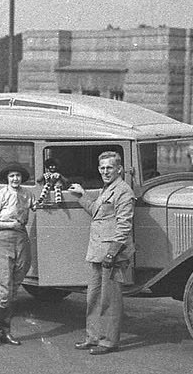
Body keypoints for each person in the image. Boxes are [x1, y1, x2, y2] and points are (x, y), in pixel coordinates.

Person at [68, 151, 136, 355]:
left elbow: (124, 226)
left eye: (110, 167)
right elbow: (96, 212)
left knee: (110, 300)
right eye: (102, 168)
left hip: (111, 255)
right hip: (98, 251)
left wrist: (112, 254)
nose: (106, 171)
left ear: (119, 169)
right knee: (94, 297)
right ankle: (93, 337)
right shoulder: (107, 189)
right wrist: (81, 195)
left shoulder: (123, 191)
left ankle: (108, 342)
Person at [0, 162, 36, 349]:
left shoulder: (27, 194)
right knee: (4, 291)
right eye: (12, 176)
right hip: (2, 241)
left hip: (21, 240)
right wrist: (9, 225)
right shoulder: (0, 195)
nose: (15, 179)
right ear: (7, 178)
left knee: (13, 290)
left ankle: (6, 332)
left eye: (18, 176)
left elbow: (37, 206)